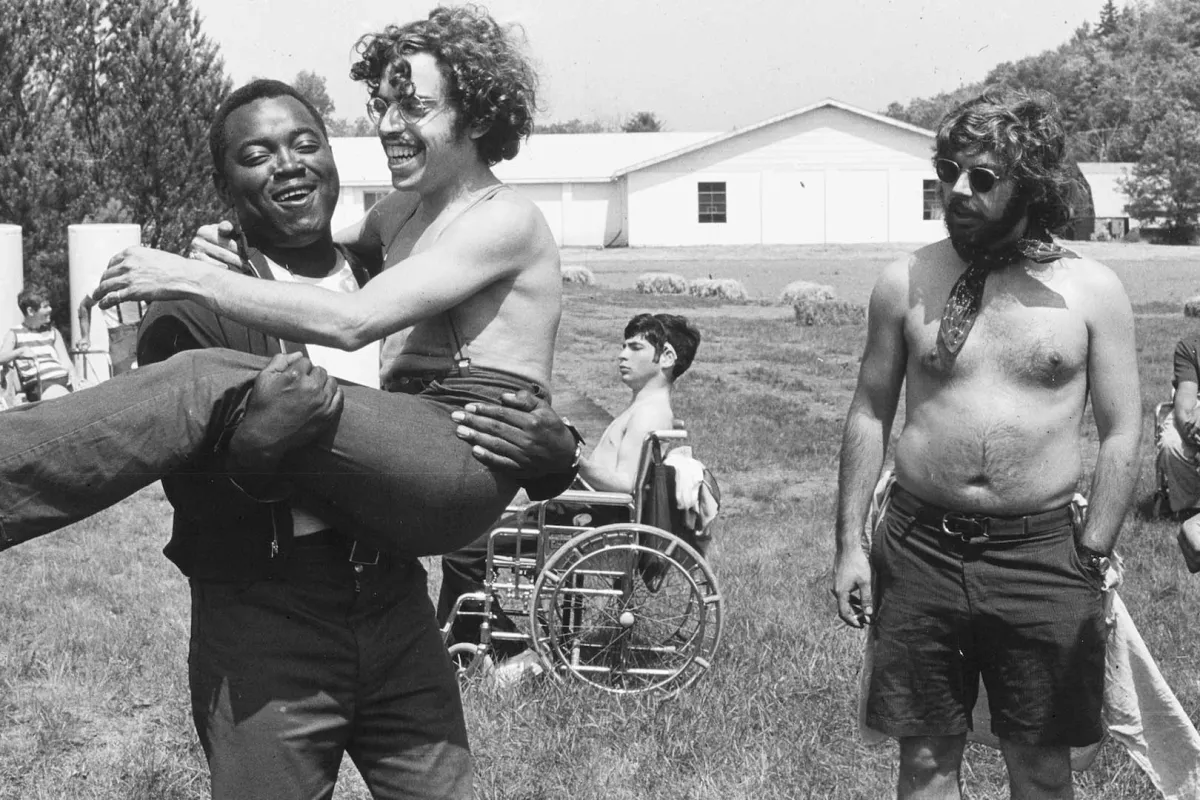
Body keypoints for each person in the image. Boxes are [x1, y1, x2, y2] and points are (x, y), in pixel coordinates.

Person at [133, 75, 579, 800]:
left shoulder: (392, 273)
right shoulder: (195, 306)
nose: (288, 163)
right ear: (224, 182)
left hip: (399, 607)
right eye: (258, 153)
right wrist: (255, 452)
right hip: (267, 625)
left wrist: (556, 454)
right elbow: (188, 482)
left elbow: (479, 391)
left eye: (305, 142)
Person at [0, 5, 563, 560]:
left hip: (463, 450)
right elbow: (306, 237)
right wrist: (222, 243)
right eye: (382, 105)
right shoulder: (400, 213)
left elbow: (353, 319)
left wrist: (188, 275)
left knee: (202, 383)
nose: (390, 125)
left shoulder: (501, 217)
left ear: (481, 117)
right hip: (405, 447)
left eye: (414, 107)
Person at [832, 88, 1141, 800]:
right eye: (947, 171)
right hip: (920, 550)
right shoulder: (904, 281)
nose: (956, 190)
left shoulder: (1091, 291)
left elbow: (1124, 433)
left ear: (1030, 182)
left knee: (1040, 766)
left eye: (981, 177)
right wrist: (851, 546)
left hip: (1042, 557)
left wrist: (1090, 552)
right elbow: (869, 413)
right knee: (927, 762)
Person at [438, 313, 701, 653]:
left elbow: (624, 489)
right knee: (469, 543)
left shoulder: (648, 414)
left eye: (635, 347)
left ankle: (505, 652)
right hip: (584, 516)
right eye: (623, 346)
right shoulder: (643, 408)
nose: (622, 354)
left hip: (590, 523)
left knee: (464, 550)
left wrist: (573, 456)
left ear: (666, 358)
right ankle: (452, 644)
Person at [0, 286, 79, 401]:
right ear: (31, 311)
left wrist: (74, 376)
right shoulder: (15, 333)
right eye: (45, 306)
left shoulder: (53, 332)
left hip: (64, 381)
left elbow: (66, 363)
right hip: (40, 385)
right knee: (65, 398)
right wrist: (19, 352)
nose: (50, 309)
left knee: (94, 393)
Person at [76, 293, 145, 375]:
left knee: (153, 377)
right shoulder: (103, 284)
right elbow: (85, 305)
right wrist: (85, 337)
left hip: (146, 330)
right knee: (123, 380)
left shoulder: (142, 280)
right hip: (120, 338)